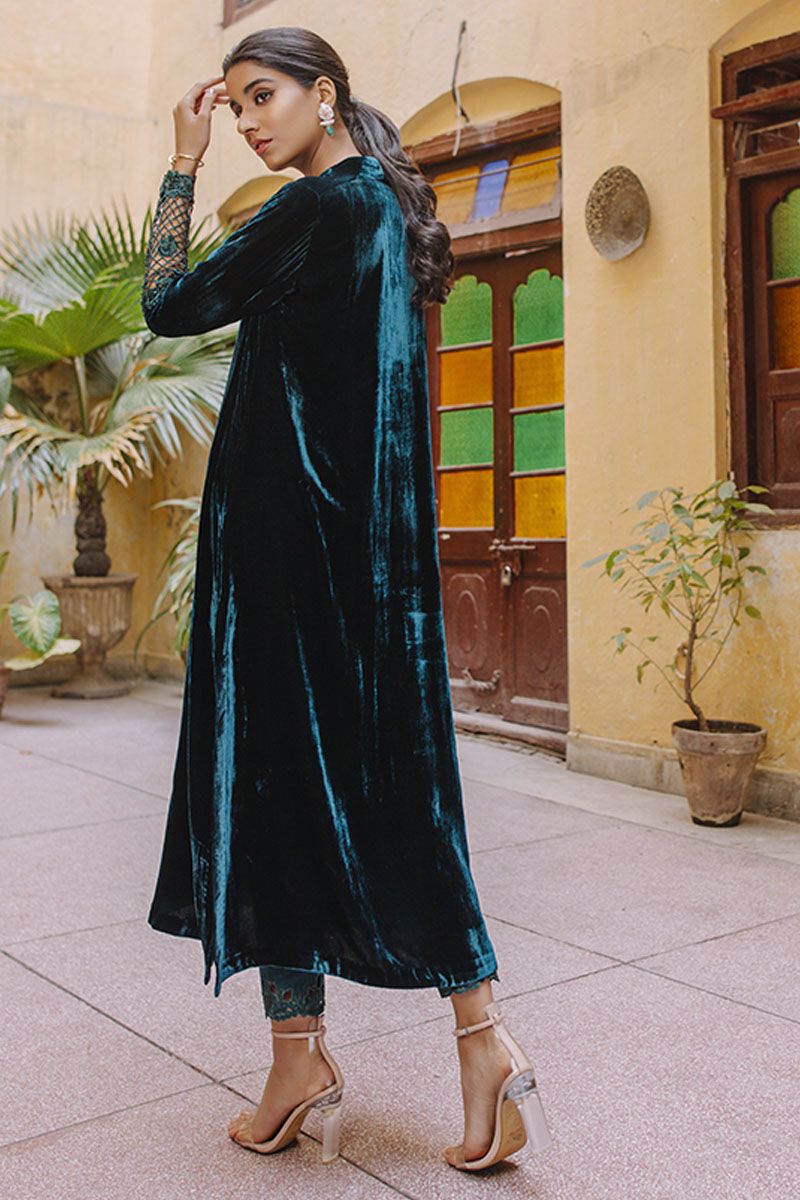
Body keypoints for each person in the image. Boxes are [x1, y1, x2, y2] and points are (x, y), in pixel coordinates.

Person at [141, 24, 551, 1172]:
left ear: (323, 93)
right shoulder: (382, 202)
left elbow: (166, 302)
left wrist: (180, 163)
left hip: (287, 563)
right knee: (391, 793)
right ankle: (463, 1039)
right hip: (365, 565)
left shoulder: (312, 209)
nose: (245, 121)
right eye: (231, 106)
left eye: (261, 96)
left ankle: (311, 1054)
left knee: (275, 792)